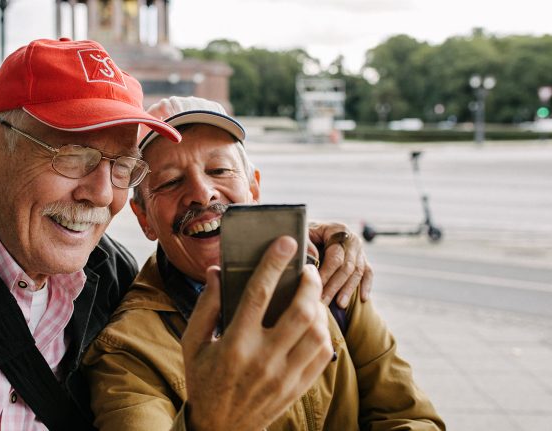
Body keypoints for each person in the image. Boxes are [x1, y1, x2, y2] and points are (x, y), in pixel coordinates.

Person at [0, 40, 367, 430]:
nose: (99, 193)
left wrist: (316, 243)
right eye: (74, 154)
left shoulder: (116, 287)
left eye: (121, 167)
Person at [83, 96, 445, 431]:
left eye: (220, 170)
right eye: (171, 181)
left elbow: (407, 416)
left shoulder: (328, 277)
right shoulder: (126, 350)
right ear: (144, 218)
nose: (201, 192)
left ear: (253, 189)